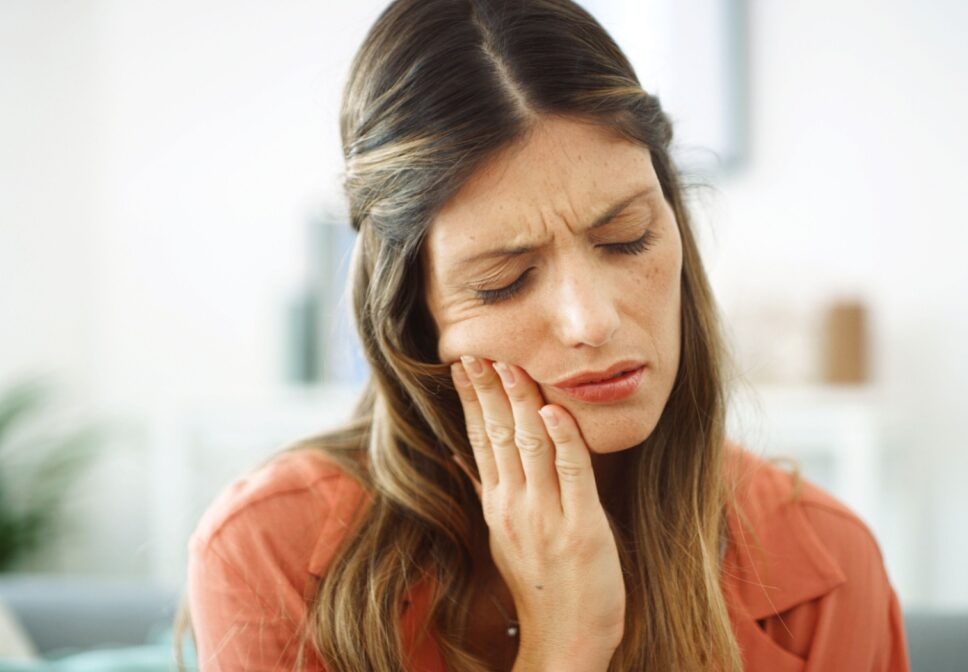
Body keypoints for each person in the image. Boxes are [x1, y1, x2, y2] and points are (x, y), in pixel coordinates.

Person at [176, 0, 910, 670]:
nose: (592, 321)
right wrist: (566, 641)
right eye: (503, 280)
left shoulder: (826, 562)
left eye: (627, 239)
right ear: (414, 314)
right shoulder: (270, 550)